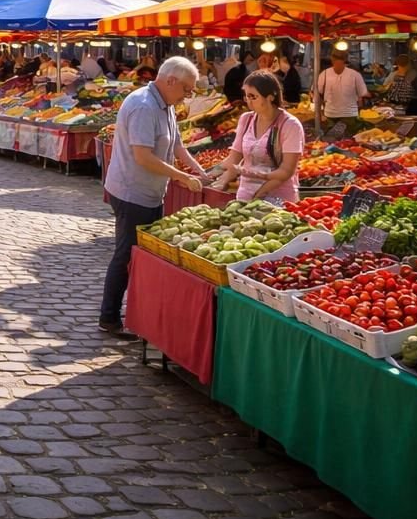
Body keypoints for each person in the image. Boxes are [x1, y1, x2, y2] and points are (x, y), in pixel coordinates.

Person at [99, 56, 205, 339]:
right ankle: (109, 317)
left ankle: (138, 314)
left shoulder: (166, 104)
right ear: (170, 81)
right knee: (126, 255)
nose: (187, 96)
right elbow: (143, 156)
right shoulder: (144, 106)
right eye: (187, 89)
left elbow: (177, 144)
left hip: (151, 191)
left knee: (141, 256)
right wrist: (182, 177)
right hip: (133, 191)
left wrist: (199, 171)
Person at [213, 71, 305, 204]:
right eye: (246, 96)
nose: (248, 102)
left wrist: (259, 194)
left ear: (270, 97)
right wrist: (212, 175)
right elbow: (234, 158)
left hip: (278, 199)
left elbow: (286, 171)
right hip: (245, 195)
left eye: (253, 97)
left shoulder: (290, 125)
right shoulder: (246, 119)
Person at [314, 50, 370, 123]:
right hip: (350, 115)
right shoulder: (355, 75)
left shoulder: (323, 74)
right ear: (345, 59)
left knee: (331, 134)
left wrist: (320, 114)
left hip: (331, 114)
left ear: (332, 59)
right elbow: (362, 93)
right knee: (350, 134)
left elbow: (318, 94)